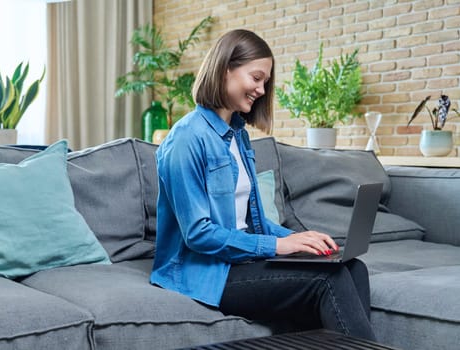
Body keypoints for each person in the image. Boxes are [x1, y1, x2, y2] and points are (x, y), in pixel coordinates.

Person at [150, 29, 376, 341]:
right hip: (207, 271)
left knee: (354, 267)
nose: (261, 89)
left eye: (265, 82)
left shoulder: (238, 136)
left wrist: (299, 239)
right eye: (256, 77)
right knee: (329, 280)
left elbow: (251, 221)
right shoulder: (186, 138)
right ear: (225, 68)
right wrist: (277, 246)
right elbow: (197, 234)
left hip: (244, 260)